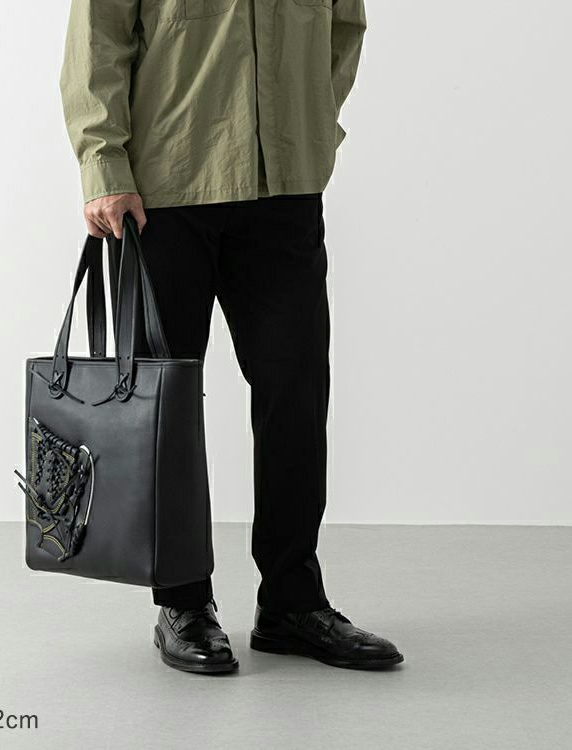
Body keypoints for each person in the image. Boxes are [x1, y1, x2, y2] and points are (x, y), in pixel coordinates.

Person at [60, 0, 403, 673]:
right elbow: (97, 39)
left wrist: (310, 126)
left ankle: (293, 603)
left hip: (284, 191)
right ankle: (182, 602)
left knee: (295, 391)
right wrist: (104, 165)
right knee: (164, 407)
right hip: (164, 193)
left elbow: (344, 28)